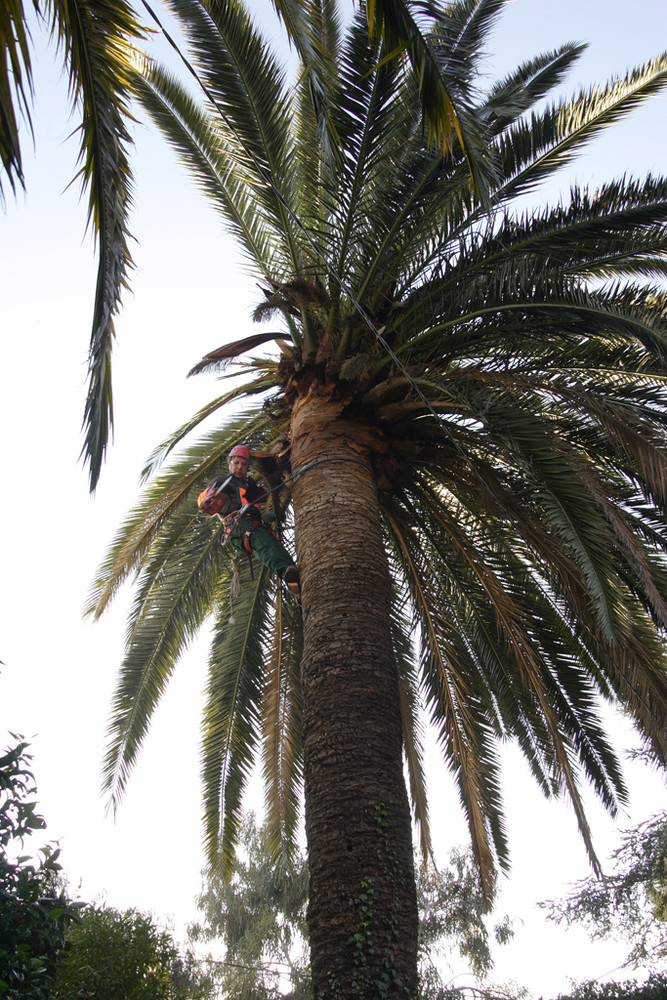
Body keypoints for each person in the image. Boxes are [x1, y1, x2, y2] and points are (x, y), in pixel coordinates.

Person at [197, 444, 300, 596]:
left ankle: (294, 580)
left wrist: (269, 515)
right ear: (230, 463)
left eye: (244, 464)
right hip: (238, 526)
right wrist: (210, 498)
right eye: (236, 463)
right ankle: (286, 571)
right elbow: (205, 501)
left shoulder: (248, 486)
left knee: (275, 547)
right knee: (263, 544)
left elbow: (257, 503)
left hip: (250, 524)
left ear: (248, 467)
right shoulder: (222, 482)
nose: (239, 467)